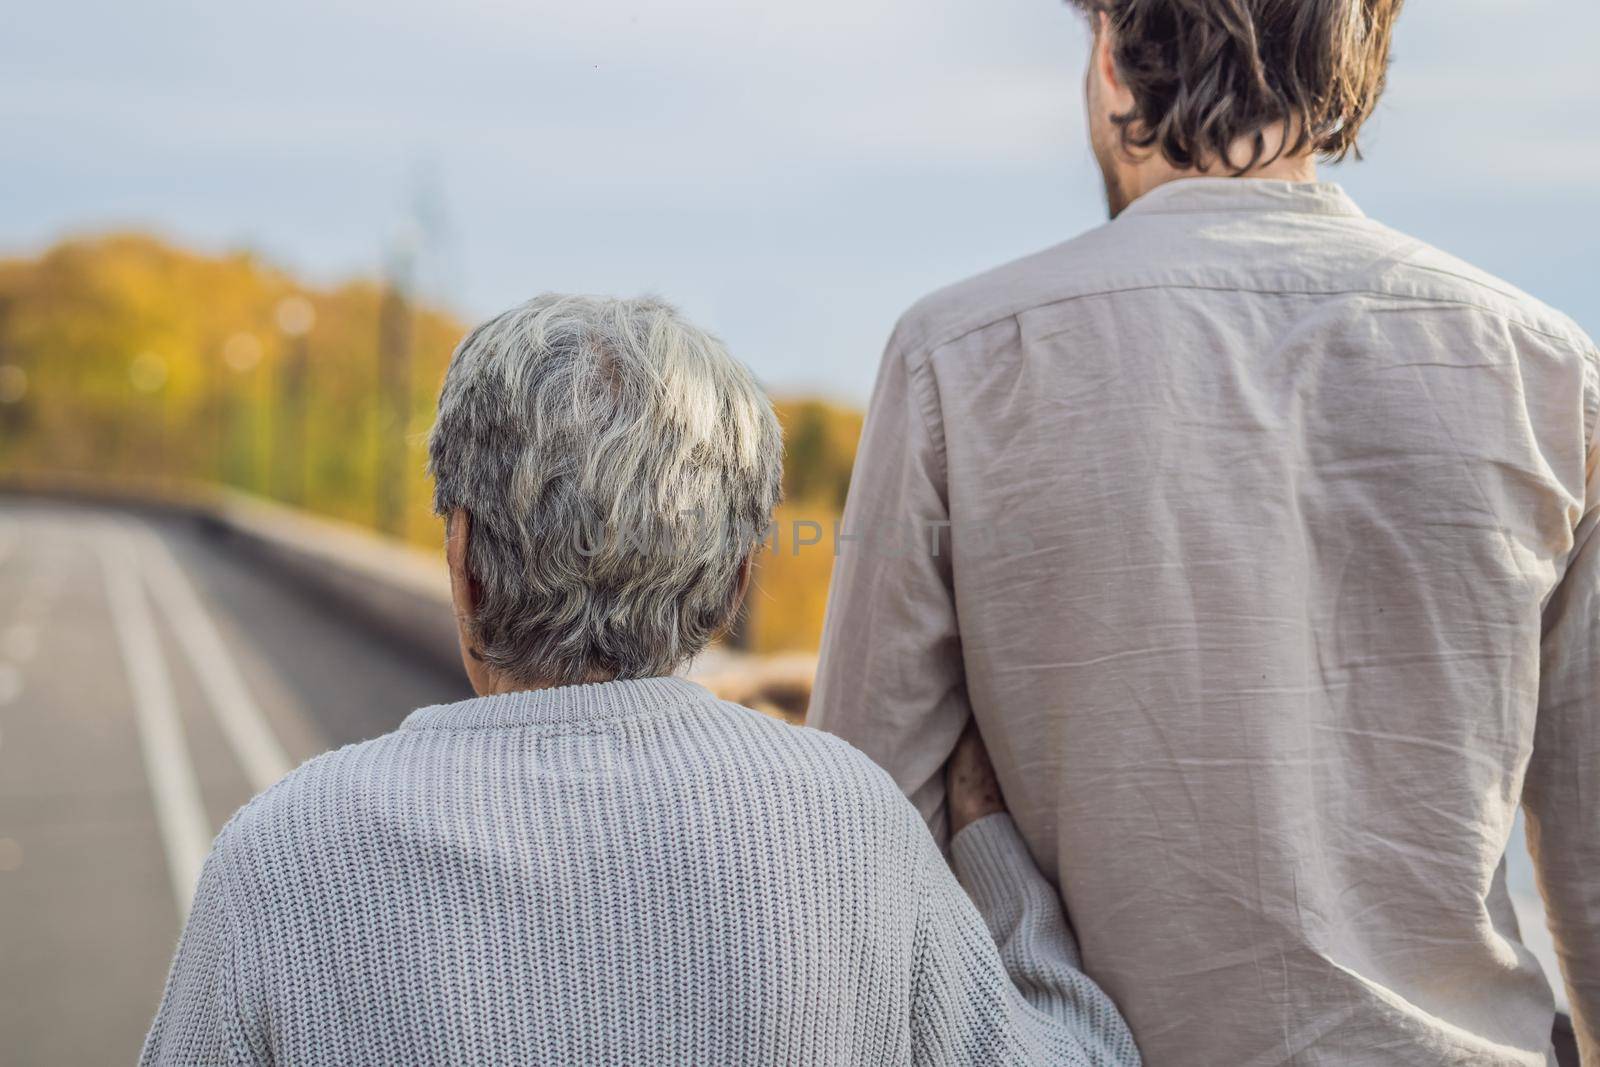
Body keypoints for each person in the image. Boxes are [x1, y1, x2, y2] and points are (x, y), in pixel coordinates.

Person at [808, 2, 1599, 1064]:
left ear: (1110, 65)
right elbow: (1590, 864)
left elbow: (860, 844)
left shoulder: (959, 357)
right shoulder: (1544, 370)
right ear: (1356, 71)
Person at [139, 294, 1139, 1066]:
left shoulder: (285, 852)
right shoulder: (846, 823)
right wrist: (997, 856)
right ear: (734, 581)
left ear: (462, 557)